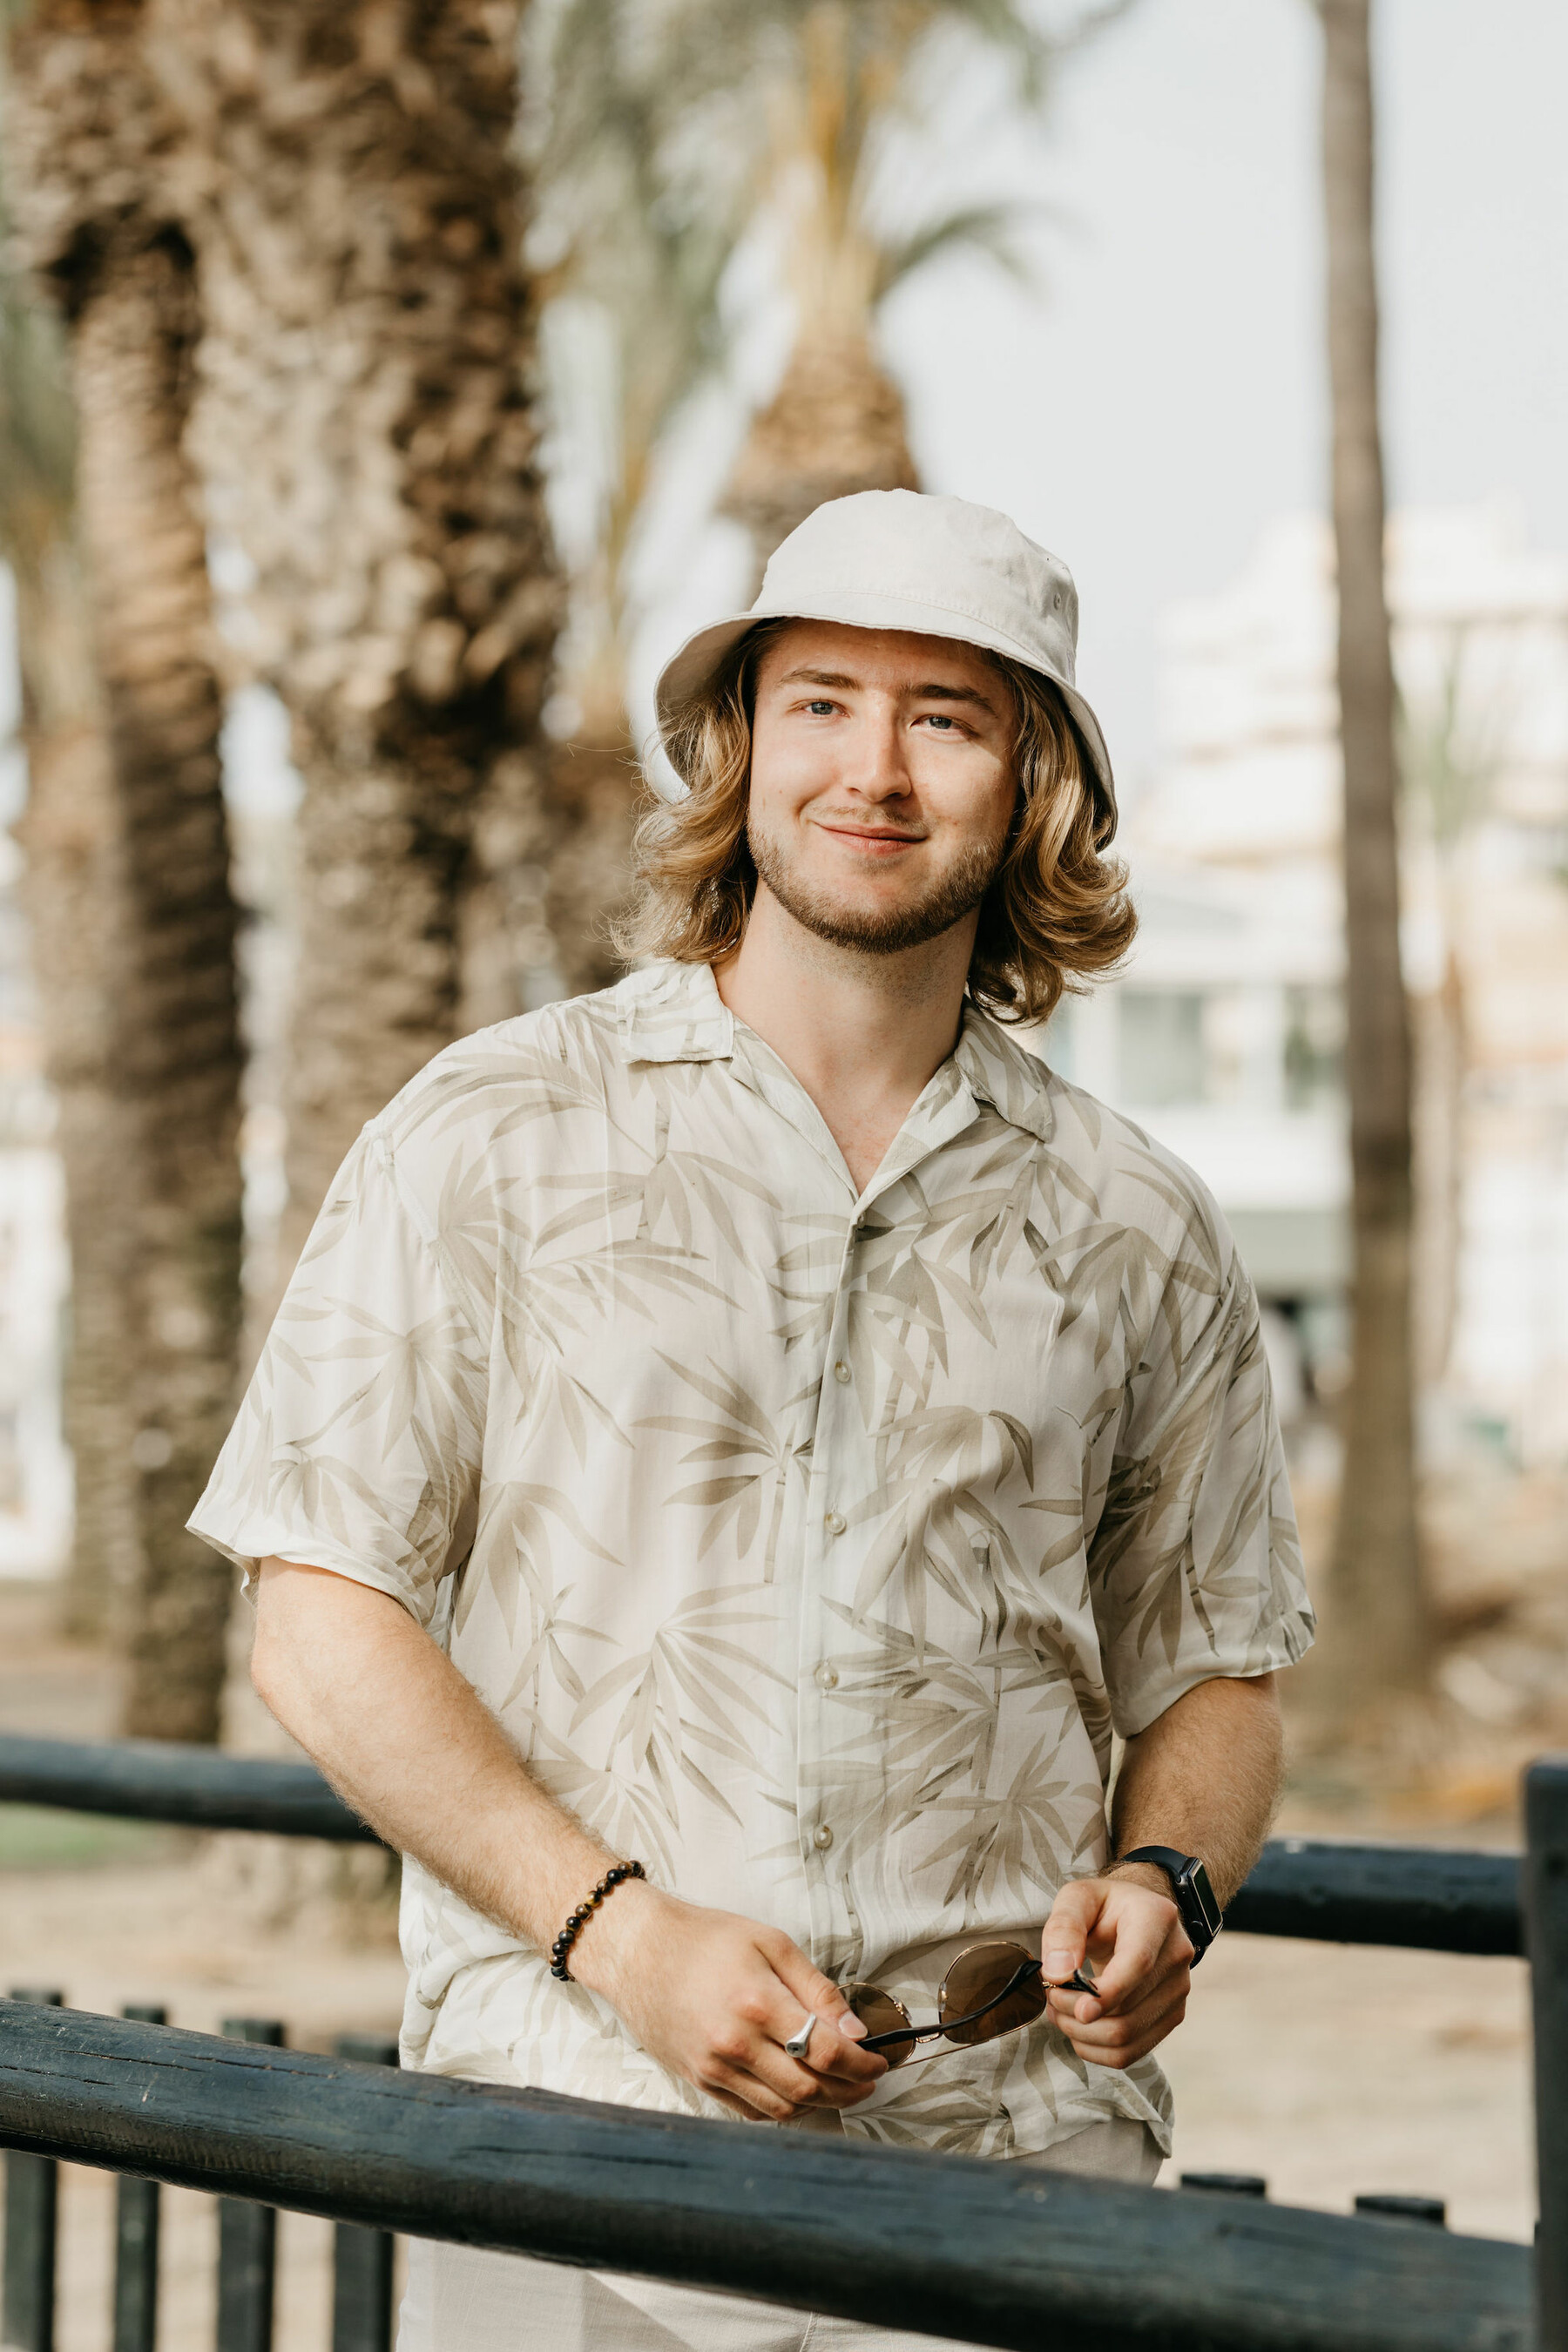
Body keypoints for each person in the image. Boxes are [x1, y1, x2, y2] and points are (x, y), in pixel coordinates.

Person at [191, 489, 1313, 2352]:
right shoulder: (491, 1132)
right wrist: (622, 1938)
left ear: (1028, 779)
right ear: (741, 745)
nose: (874, 768)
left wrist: (1170, 1878)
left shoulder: (1140, 1224)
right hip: (567, 2147)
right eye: (823, 703)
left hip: (1012, 2179)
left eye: (946, 718)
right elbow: (319, 1611)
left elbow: (1216, 1667)